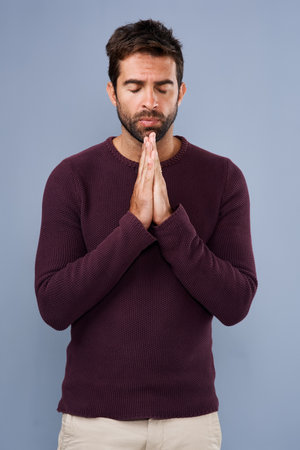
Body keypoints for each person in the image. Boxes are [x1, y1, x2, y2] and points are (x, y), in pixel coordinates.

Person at [34, 18, 258, 450]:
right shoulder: (71, 178)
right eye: (135, 87)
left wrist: (172, 224)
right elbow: (53, 306)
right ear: (112, 91)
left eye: (163, 87)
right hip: (95, 422)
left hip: (190, 422)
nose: (149, 102)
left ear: (182, 91)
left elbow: (235, 303)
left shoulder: (223, 178)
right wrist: (134, 225)